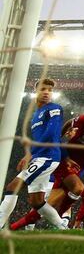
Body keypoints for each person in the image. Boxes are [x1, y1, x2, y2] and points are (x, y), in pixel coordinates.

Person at [9, 101, 84, 230]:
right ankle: (59, 220)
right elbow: (70, 122)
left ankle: (20, 226)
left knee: (49, 203)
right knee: (78, 188)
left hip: (80, 167)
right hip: (64, 160)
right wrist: (60, 137)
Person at [0, 79, 66, 229]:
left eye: (50, 90)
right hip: (41, 157)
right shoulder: (36, 114)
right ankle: (62, 226)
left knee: (12, 187)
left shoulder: (54, 108)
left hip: (47, 157)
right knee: (37, 202)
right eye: (43, 89)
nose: (47, 92)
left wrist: (31, 154)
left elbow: (51, 133)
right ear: (36, 91)